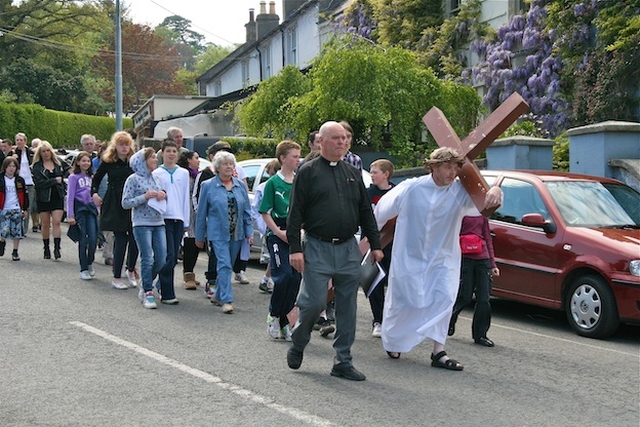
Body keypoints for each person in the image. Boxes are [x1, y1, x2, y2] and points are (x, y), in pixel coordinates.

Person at [374, 147, 503, 370]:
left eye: (456, 168)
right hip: (409, 255)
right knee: (405, 300)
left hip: (443, 257)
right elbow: (380, 212)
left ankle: (438, 351)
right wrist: (370, 240)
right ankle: (394, 341)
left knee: (445, 297)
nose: (453, 173)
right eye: (447, 167)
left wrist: (497, 192)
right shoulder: (411, 188)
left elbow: (483, 204)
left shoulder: (460, 192)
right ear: (433, 166)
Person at [286, 121, 383, 381]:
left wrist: (375, 245)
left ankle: (343, 360)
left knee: (348, 307)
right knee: (314, 302)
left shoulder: (352, 173)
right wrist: (295, 249)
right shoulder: (307, 172)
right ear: (321, 141)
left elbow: (365, 211)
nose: (341, 142)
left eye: (344, 139)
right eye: (336, 138)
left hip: (348, 249)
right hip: (317, 247)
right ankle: (299, 340)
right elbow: (294, 213)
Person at [195, 151, 253, 314]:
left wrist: (249, 233)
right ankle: (227, 300)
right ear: (217, 167)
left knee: (227, 265)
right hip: (217, 233)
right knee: (225, 264)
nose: (229, 167)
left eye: (231, 164)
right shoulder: (208, 186)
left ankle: (218, 294)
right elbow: (201, 214)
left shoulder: (239, 185)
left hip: (237, 233)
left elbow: (247, 211)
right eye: (225, 164)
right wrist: (199, 237)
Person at [259, 141, 302, 340]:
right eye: (294, 156)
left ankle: (285, 320)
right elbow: (265, 211)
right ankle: (274, 315)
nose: (298, 160)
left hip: (295, 233)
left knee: (295, 278)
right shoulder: (273, 183)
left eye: (299, 156)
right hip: (277, 234)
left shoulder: (300, 181)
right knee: (283, 275)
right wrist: (277, 231)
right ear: (283, 158)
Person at [92, 131, 139, 290]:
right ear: (116, 146)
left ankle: (131, 270)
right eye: (121, 144)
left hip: (132, 201)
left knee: (135, 239)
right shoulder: (108, 162)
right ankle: (116, 277)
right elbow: (96, 179)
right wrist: (95, 194)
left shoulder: (134, 162)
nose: (124, 147)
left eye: (127, 144)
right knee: (121, 240)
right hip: (114, 201)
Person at [122, 147, 167, 309]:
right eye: (152, 157)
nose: (156, 159)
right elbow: (126, 203)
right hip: (141, 223)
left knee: (162, 257)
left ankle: (145, 281)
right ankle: (148, 291)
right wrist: (144, 197)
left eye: (155, 157)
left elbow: (161, 195)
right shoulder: (132, 180)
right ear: (142, 161)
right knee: (147, 257)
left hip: (158, 221)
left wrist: (162, 194)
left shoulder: (156, 178)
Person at [448, 215, 500, 347]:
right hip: (465, 258)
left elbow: (488, 238)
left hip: (483, 260)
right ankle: (450, 319)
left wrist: (493, 265)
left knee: (484, 299)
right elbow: (452, 236)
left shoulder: (483, 215)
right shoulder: (461, 213)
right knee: (465, 296)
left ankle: (480, 335)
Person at [153, 140, 190, 304]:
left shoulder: (183, 173)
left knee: (174, 257)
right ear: (162, 153)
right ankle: (167, 293)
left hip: (178, 218)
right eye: (168, 151)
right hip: (163, 218)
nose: (171, 154)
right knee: (167, 256)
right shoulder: (156, 173)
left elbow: (185, 198)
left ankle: (158, 282)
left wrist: (186, 221)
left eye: (174, 151)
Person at [366, 159, 395, 338]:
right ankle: (378, 320)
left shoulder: (397, 192)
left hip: (393, 242)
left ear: (386, 174)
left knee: (393, 282)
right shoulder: (367, 193)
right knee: (374, 281)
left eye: (375, 171)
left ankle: (392, 320)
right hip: (371, 242)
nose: (371, 175)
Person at [32, 141, 68, 260]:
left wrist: (64, 180)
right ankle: (46, 247)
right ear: (40, 153)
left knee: (57, 222)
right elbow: (39, 184)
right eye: (43, 151)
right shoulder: (37, 166)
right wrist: (54, 181)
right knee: (45, 224)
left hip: (57, 195)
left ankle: (57, 248)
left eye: (48, 151)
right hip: (43, 197)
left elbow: (70, 170)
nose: (46, 153)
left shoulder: (58, 163)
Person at [67, 151, 99, 280]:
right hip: (79, 210)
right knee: (83, 240)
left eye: (88, 161)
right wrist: (70, 215)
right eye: (83, 160)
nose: (86, 163)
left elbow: (94, 195)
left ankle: (90, 262)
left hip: (90, 209)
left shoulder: (92, 177)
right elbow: (70, 197)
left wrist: (97, 208)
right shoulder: (73, 177)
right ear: (78, 162)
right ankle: (83, 268)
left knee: (93, 239)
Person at [252, 159, 280, 293]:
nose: (272, 176)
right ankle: (272, 281)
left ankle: (266, 280)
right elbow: (256, 209)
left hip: (280, 225)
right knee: (274, 256)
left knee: (275, 256)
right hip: (269, 227)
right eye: (270, 173)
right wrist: (262, 226)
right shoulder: (263, 187)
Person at [177, 150, 201, 290]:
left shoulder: (198, 176)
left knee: (197, 243)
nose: (198, 161)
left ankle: (190, 272)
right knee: (189, 243)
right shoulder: (184, 175)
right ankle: (188, 275)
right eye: (196, 158)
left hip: (197, 213)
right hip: (187, 212)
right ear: (188, 160)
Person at [0, 157, 29, 261]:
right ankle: (2, 242)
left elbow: (25, 195)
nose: (11, 168)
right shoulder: (1, 179)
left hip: (16, 208)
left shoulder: (20, 180)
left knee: (16, 231)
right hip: (3, 208)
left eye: (13, 166)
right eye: (9, 166)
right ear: (5, 167)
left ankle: (15, 251)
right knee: (4, 230)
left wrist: (25, 208)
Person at [13, 133, 38, 233]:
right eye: (17, 140)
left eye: (21, 140)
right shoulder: (14, 153)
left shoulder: (30, 153)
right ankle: (16, 227)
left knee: (27, 206)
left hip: (30, 182)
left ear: (25, 141)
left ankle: (24, 229)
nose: (19, 142)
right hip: (18, 182)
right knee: (17, 204)